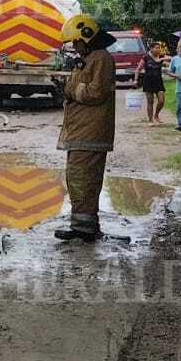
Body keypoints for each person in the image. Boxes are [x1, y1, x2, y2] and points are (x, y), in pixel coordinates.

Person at [53, 13, 116, 242]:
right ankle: (82, 224)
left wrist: (69, 89)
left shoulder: (101, 58)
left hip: (90, 132)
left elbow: (95, 92)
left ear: (87, 37)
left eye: (77, 42)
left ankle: (85, 228)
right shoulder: (91, 58)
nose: (75, 47)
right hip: (82, 130)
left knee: (83, 178)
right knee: (78, 177)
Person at [135, 43, 165, 123]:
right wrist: (136, 80)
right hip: (148, 81)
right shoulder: (145, 57)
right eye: (156, 48)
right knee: (150, 101)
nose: (158, 49)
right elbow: (138, 69)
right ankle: (150, 120)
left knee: (161, 101)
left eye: (159, 48)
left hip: (159, 81)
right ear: (151, 49)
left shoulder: (161, 57)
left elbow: (170, 59)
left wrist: (161, 60)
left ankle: (156, 115)